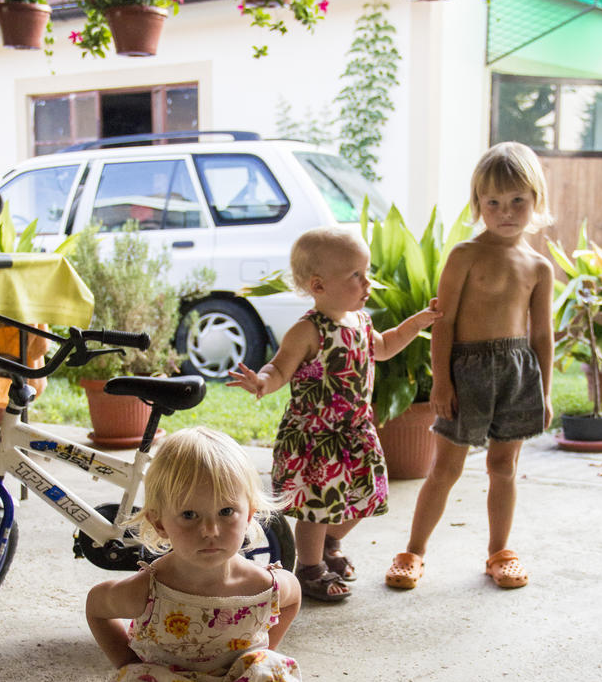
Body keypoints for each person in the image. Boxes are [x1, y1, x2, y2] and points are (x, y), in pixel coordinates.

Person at [85, 426, 324, 682]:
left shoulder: (267, 583)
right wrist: (126, 663)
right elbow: (97, 607)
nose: (210, 530)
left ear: (251, 515)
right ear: (160, 522)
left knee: (274, 672)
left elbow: (293, 601)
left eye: (226, 512)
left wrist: (260, 651)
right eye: (190, 515)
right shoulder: (149, 588)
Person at [227, 227, 441, 602]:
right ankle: (309, 568)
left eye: (366, 271)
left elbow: (386, 346)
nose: (367, 283)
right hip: (316, 437)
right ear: (319, 285)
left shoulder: (361, 323)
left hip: (355, 433)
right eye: (356, 275)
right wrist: (262, 381)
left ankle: (330, 543)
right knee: (316, 508)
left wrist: (419, 322)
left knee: (367, 496)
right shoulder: (308, 330)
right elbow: (279, 369)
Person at [385, 141, 554, 592]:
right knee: (446, 468)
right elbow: (445, 323)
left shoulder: (539, 267)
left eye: (518, 200)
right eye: (493, 202)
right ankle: (413, 551)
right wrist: (442, 380)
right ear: (478, 204)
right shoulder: (464, 255)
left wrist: (546, 392)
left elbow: (541, 336)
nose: (506, 211)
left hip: (519, 374)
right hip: (468, 372)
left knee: (504, 466)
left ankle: (500, 551)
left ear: (536, 200)